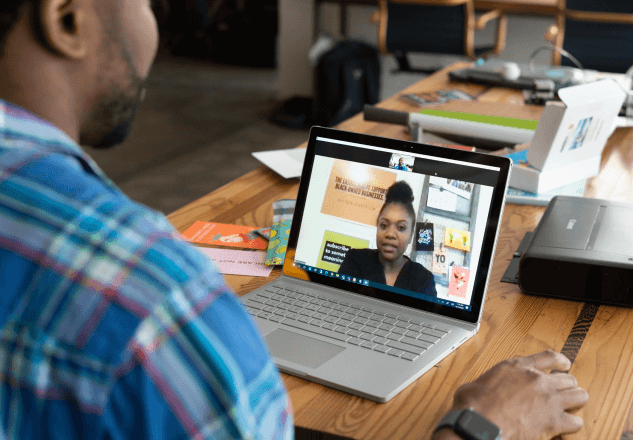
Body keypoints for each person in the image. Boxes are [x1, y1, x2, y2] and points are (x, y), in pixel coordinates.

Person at [0, 1, 588, 439]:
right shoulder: (151, 301)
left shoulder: (425, 282)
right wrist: (480, 425)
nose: (153, 25)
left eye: (401, 226)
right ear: (67, 17)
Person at [339, 181, 437, 297]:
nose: (390, 234)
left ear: (411, 235)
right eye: (384, 226)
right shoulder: (355, 261)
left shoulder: (424, 280)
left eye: (401, 228)